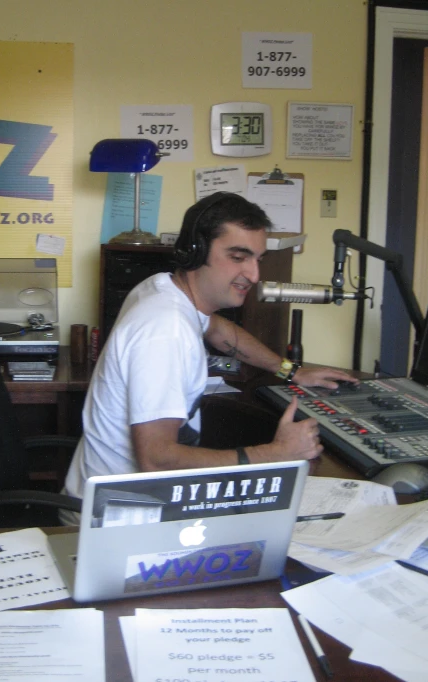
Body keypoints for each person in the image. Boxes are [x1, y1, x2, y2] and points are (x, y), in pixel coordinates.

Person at [62, 192, 357, 511]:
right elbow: (157, 461)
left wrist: (291, 370)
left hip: (124, 501)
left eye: (257, 259)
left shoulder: (163, 290)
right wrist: (274, 453)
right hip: (114, 523)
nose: (254, 275)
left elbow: (216, 329)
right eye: (238, 257)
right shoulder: (165, 331)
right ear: (195, 251)